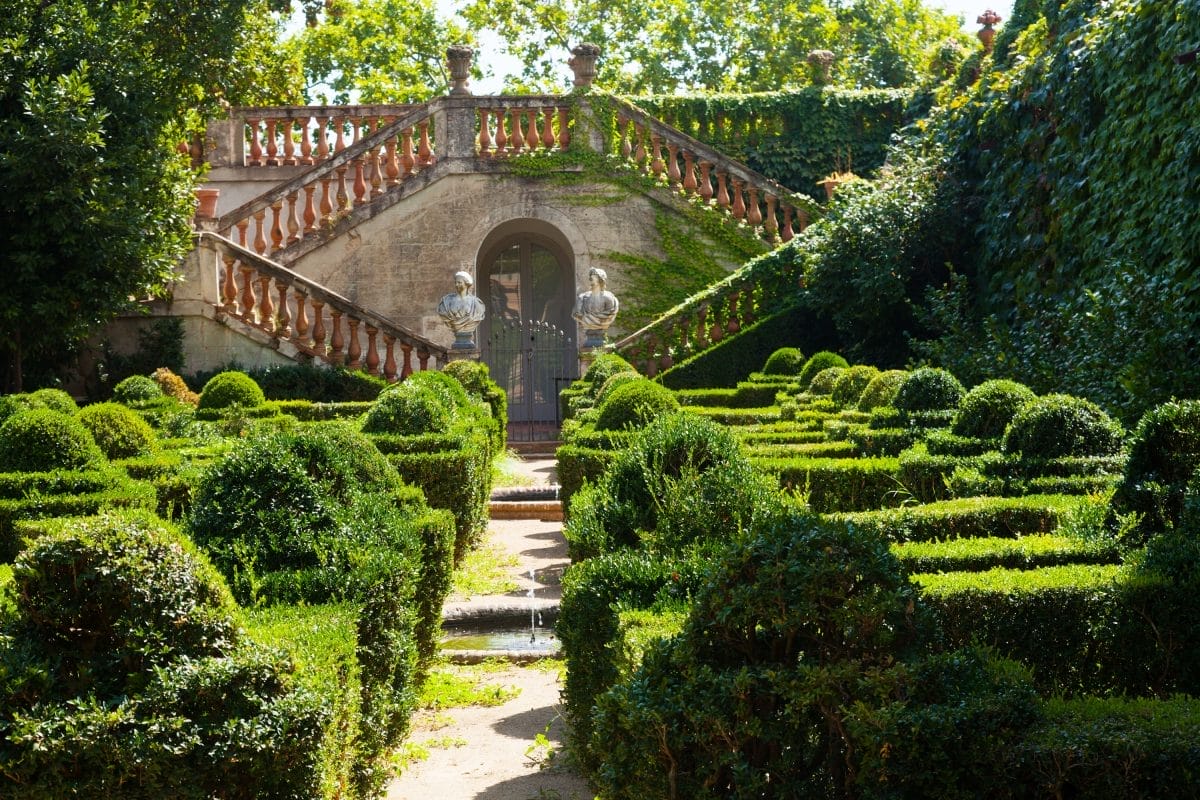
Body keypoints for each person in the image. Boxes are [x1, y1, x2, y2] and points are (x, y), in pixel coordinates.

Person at [437, 270, 486, 347]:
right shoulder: (446, 301)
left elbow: (477, 316)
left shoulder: (476, 303)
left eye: (459, 283)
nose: (456, 285)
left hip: (468, 328)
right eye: (455, 282)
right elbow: (443, 314)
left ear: (466, 284)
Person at [572, 268, 619, 346]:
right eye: (590, 277)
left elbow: (610, 313)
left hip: (601, 329)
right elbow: (576, 314)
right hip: (589, 329)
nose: (591, 279)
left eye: (594, 277)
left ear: (600, 279)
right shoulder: (582, 297)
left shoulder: (608, 297)